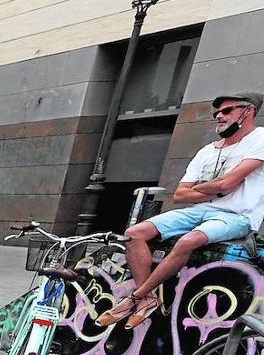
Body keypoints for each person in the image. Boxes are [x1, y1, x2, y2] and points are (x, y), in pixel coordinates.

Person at [99, 91, 264, 329]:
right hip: (199, 211)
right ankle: (148, 299)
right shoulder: (207, 151)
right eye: (216, 112)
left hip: (238, 216)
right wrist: (216, 188)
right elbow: (180, 194)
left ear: (248, 111)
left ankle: (134, 298)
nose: (219, 116)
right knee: (134, 233)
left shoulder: (259, 138)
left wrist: (208, 186)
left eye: (227, 111)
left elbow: (227, 184)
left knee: (188, 241)